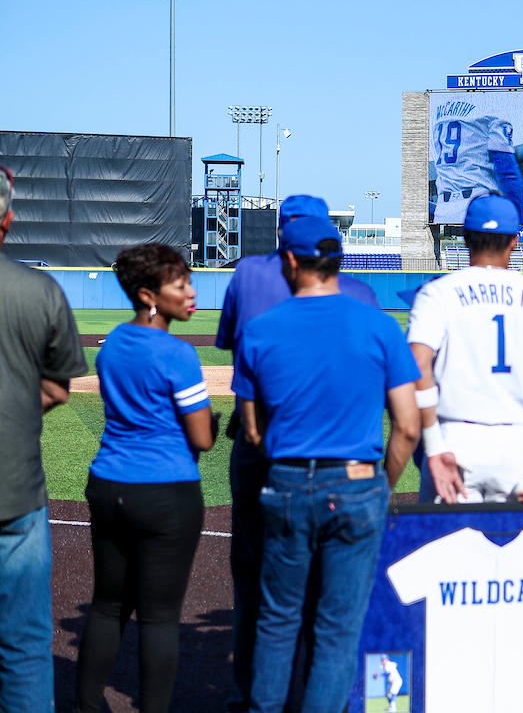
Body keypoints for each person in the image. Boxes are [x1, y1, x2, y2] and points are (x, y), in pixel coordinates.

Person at [233, 217, 421, 713]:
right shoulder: (380, 325)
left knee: (277, 622)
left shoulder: (260, 329)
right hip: (358, 481)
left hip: (288, 480)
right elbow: (407, 425)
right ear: (339, 259)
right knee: (337, 630)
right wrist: (382, 484)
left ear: (291, 261)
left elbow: (251, 430)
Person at [215, 194, 382, 713]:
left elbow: (231, 348)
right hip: (347, 461)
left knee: (258, 588)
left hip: (263, 449)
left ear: (283, 239)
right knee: (332, 604)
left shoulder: (247, 273)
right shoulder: (361, 293)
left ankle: (251, 696)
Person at [75, 244, 221, 713]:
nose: (191, 293)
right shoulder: (178, 354)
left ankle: (86, 704)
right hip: (166, 491)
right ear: (148, 294)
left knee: (107, 605)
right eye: (180, 285)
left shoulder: (114, 341)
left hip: (108, 483)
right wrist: (213, 426)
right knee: (159, 619)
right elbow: (201, 438)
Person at [408, 194, 523, 508]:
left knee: (446, 554)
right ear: (516, 241)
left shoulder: (437, 294)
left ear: (465, 238)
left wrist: (434, 446)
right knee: (510, 555)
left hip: (455, 439)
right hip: (517, 446)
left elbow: (416, 366)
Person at [0, 164, 88, 713]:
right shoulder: (40, 290)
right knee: (27, 649)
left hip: (22, 499)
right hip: (17, 498)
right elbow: (58, 388)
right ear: (8, 219)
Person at [430, 95, 523, 223]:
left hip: (443, 209)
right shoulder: (491, 105)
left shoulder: (441, 111)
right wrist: (518, 215)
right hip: (480, 204)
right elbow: (507, 172)